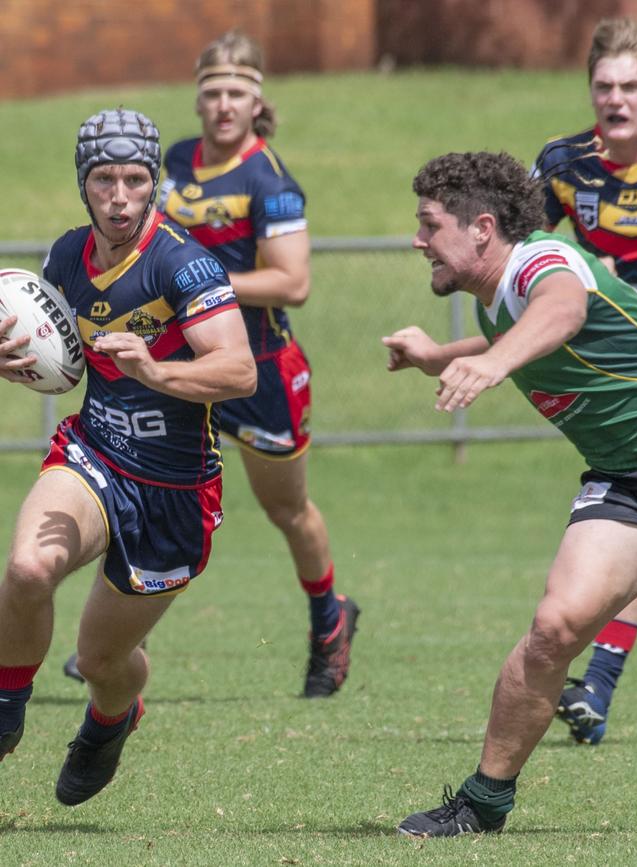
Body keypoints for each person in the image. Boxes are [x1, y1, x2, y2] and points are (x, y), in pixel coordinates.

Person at [383, 150, 637, 837]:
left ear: (480, 227)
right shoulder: (502, 298)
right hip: (629, 478)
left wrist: (493, 366)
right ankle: (484, 802)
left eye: (429, 225)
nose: (418, 241)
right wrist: (436, 356)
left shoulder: (543, 261)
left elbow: (562, 308)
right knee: (556, 628)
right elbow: (511, 327)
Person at [0, 108, 256, 805]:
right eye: (104, 179)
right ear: (84, 184)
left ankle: (112, 721)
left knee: (101, 661)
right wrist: (18, 359)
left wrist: (156, 371)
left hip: (174, 491)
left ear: (155, 185)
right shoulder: (65, 257)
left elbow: (239, 372)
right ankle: (6, 704)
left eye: (134, 179)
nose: (119, 195)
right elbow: (69, 366)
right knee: (27, 568)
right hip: (94, 454)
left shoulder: (184, 263)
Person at [158, 30, 359, 698]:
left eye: (236, 93)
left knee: (286, 509)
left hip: (264, 369)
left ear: (256, 101)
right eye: (211, 91)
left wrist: (196, 277)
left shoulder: (268, 179)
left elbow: (292, 283)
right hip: (187, 359)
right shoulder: (175, 161)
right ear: (197, 97)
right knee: (158, 491)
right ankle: (118, 635)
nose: (222, 104)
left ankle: (329, 619)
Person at [533, 16, 637, 745]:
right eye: (604, 85)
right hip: (617, 362)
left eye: (632, 85)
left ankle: (600, 682)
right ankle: (600, 683)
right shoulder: (563, 162)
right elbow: (523, 240)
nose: (617, 98)